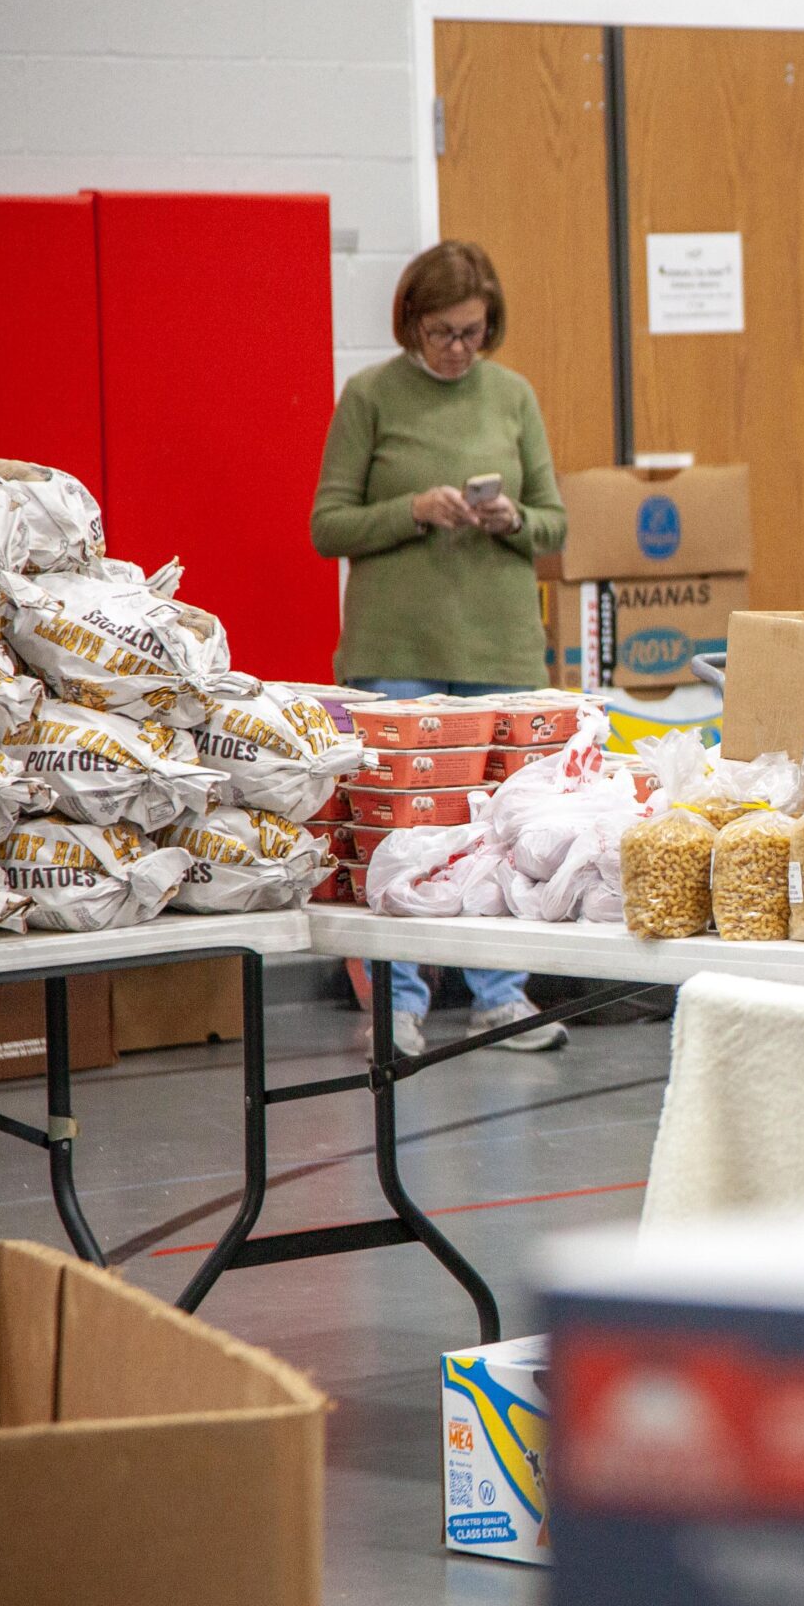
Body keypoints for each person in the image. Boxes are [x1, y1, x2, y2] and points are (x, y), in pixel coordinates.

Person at [312, 241, 569, 1059]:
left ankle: (500, 997)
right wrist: (414, 508)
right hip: (397, 647)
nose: (459, 349)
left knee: (509, 827)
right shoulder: (370, 396)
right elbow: (328, 527)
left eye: (474, 332)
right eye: (443, 333)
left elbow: (556, 522)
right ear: (411, 323)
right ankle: (399, 1003)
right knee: (399, 835)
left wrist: (512, 521)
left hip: (500, 645)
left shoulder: (514, 395)